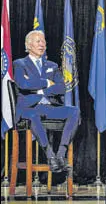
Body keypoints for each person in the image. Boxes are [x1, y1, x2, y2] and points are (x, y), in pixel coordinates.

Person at [13, 30, 79, 173]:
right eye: (38, 41)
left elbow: (61, 88)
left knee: (74, 111)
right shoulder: (19, 63)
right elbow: (23, 84)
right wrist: (46, 82)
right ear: (29, 45)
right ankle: (50, 156)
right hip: (28, 109)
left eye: (43, 41)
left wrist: (42, 90)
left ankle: (60, 155)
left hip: (48, 107)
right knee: (33, 116)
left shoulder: (52, 65)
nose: (42, 45)